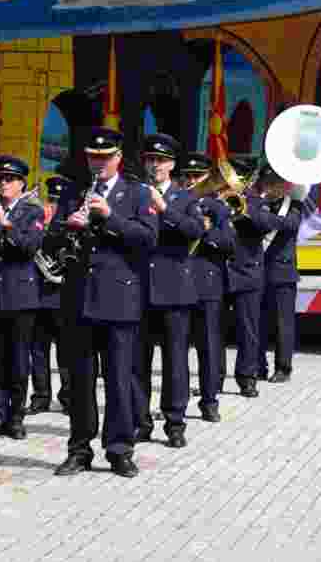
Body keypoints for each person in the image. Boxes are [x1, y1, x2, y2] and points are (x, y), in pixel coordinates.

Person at [53, 128, 157, 478]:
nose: (97, 163)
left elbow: (147, 238)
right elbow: (50, 240)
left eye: (104, 157)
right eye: (92, 158)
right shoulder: (72, 192)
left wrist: (111, 216)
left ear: (118, 158)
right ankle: (79, 449)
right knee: (80, 380)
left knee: (118, 378)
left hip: (119, 298)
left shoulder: (137, 193)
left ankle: (119, 449)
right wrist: (67, 226)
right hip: (79, 299)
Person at [134, 134, 205, 449]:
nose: (155, 165)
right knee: (138, 362)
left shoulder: (187, 198)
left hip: (175, 291)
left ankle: (175, 422)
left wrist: (164, 209)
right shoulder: (135, 194)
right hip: (140, 291)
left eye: (160, 160)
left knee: (175, 361)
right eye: (150, 159)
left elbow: (195, 231)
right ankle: (139, 421)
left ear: (172, 165)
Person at [0, 155, 45, 440]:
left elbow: (29, 247)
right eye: (0, 179)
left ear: (21, 184)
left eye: (10, 179)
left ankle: (16, 417)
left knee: (18, 360)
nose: (4, 183)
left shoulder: (32, 212)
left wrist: (6, 226)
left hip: (20, 295)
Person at [180, 153, 235, 423]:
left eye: (197, 177)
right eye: (187, 176)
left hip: (207, 285)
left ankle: (209, 400)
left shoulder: (220, 208)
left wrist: (206, 231)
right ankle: (177, 402)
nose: (191, 181)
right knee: (176, 348)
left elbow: (228, 244)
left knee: (209, 346)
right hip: (178, 283)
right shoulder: (176, 202)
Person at [224, 154, 278, 397]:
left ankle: (247, 377)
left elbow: (265, 224)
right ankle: (213, 381)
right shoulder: (216, 196)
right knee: (214, 330)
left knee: (248, 329)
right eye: (231, 174)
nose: (233, 179)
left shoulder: (256, 200)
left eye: (239, 175)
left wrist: (242, 209)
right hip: (221, 271)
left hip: (247, 271)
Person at [256, 164, 307, 383]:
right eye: (268, 183)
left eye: (275, 183)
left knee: (282, 324)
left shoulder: (294, 204)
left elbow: (290, 224)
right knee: (257, 323)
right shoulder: (258, 204)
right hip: (259, 270)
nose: (271, 188)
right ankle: (257, 365)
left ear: (285, 185)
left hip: (282, 272)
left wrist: (262, 218)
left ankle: (283, 368)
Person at [28, 174, 72, 415]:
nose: (53, 205)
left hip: (61, 293)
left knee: (65, 350)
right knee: (37, 348)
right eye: (51, 199)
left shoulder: (68, 224)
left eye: (58, 200)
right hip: (36, 292)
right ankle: (40, 396)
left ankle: (67, 396)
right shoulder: (37, 220)